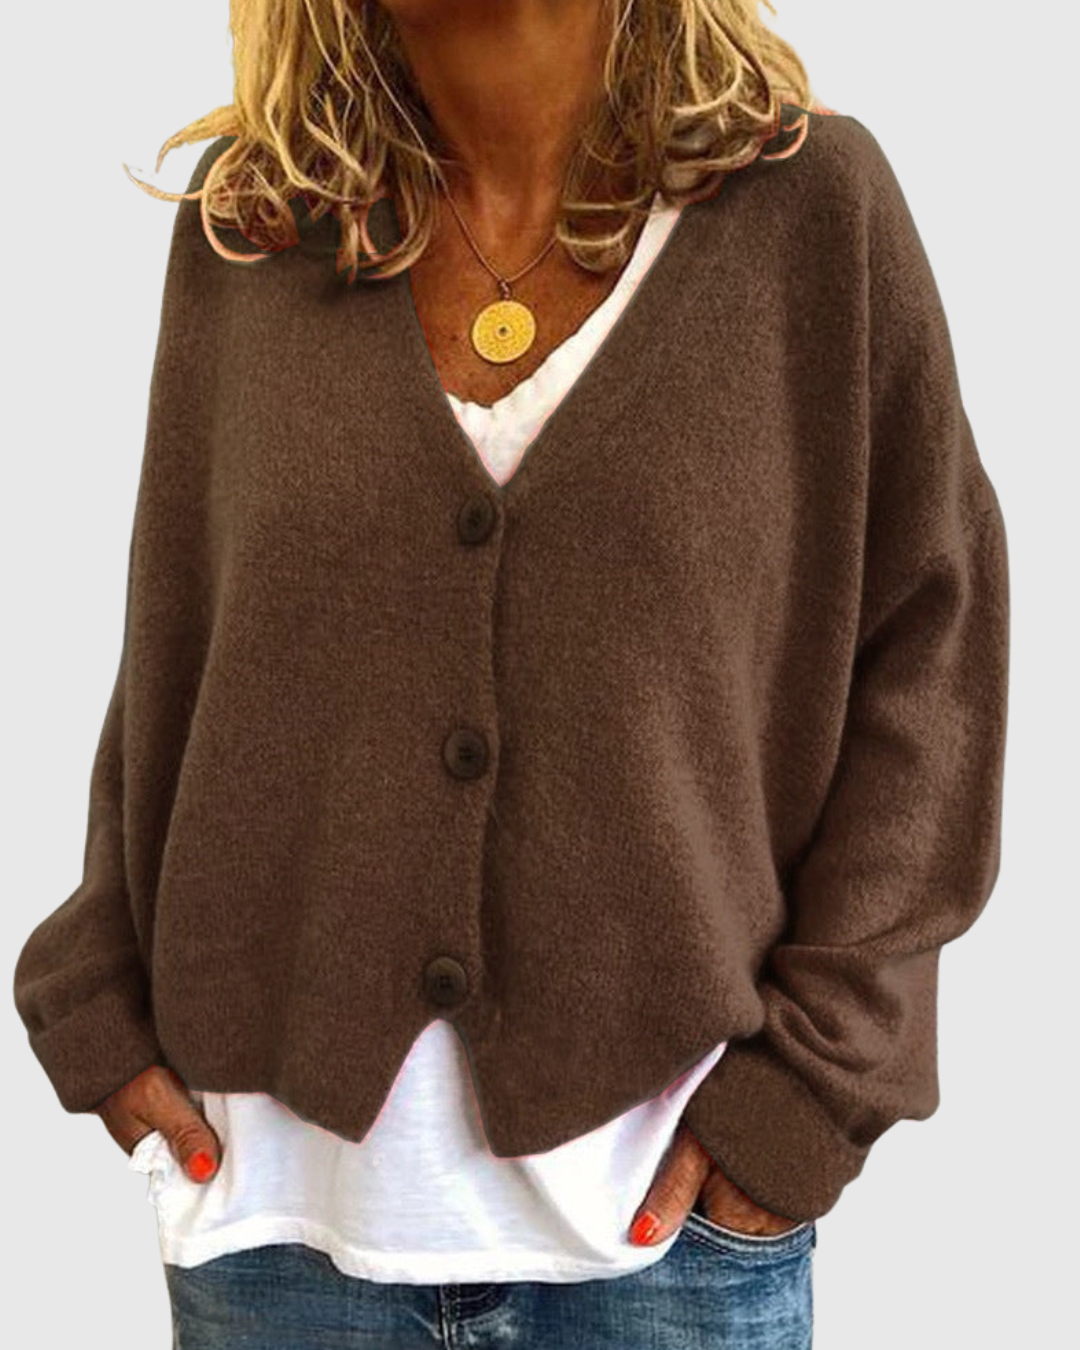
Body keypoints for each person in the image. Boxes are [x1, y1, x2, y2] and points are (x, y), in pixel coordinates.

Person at [12, 2, 1009, 1347]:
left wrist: (816, 1088)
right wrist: (95, 989)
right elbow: (182, 639)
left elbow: (932, 657)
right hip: (274, 1238)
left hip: (665, 1252)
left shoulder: (812, 211)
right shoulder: (251, 224)